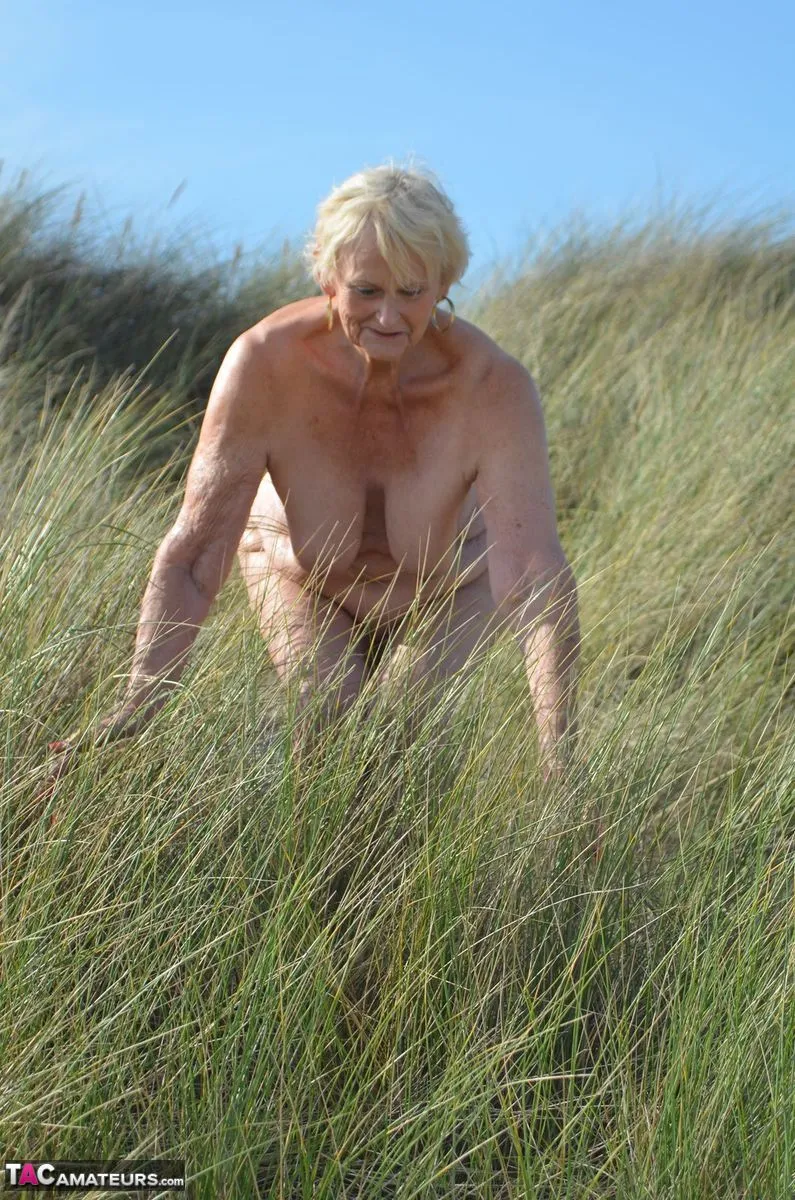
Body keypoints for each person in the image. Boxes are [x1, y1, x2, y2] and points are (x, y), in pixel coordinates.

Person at [43, 163, 580, 794]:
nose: (388, 316)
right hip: (303, 575)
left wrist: (561, 768)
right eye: (365, 290)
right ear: (327, 277)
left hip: (452, 585)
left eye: (411, 292)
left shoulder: (493, 386)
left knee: (398, 740)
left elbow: (534, 574)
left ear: (444, 283)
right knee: (327, 721)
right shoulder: (264, 363)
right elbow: (195, 551)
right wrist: (136, 707)